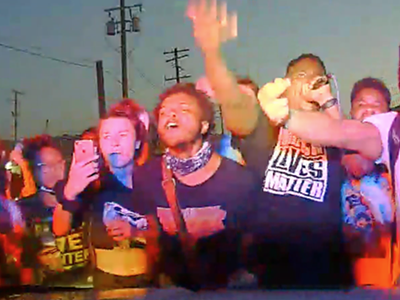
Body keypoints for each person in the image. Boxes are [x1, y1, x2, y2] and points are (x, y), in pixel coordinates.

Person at [187, 0, 352, 288]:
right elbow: (236, 106)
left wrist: (328, 100)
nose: (308, 86)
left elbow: (359, 150)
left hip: (331, 277)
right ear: (287, 86)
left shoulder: (337, 133)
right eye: (300, 78)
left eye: (317, 79)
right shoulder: (266, 130)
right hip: (274, 276)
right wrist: (212, 53)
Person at [133, 83, 258, 290]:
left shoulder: (239, 180)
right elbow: (152, 242)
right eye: (164, 113)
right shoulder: (146, 177)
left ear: (204, 126)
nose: (171, 116)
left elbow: (250, 246)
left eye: (183, 110)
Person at [53, 99, 154, 290]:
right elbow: (59, 229)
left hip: (152, 284)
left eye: (123, 135)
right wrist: (70, 192)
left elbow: (179, 235)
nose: (114, 143)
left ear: (138, 141)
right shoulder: (91, 183)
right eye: (106, 136)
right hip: (105, 283)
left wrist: (137, 233)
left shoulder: (157, 181)